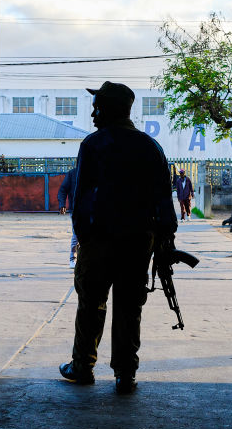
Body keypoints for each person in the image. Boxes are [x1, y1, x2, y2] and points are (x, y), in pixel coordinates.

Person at [59, 81, 177, 394]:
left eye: (97, 107)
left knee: (91, 304)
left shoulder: (94, 144)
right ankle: (126, 374)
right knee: (128, 307)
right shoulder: (150, 146)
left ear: (110, 109)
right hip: (138, 242)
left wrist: (84, 238)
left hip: (100, 240)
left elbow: (82, 198)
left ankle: (82, 367)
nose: (93, 114)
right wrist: (164, 241)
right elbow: (164, 201)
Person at [57, 165, 79, 267]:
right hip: (76, 210)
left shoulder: (93, 172)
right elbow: (63, 190)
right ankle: (73, 258)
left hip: (91, 209)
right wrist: (62, 204)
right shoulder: (72, 174)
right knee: (77, 234)